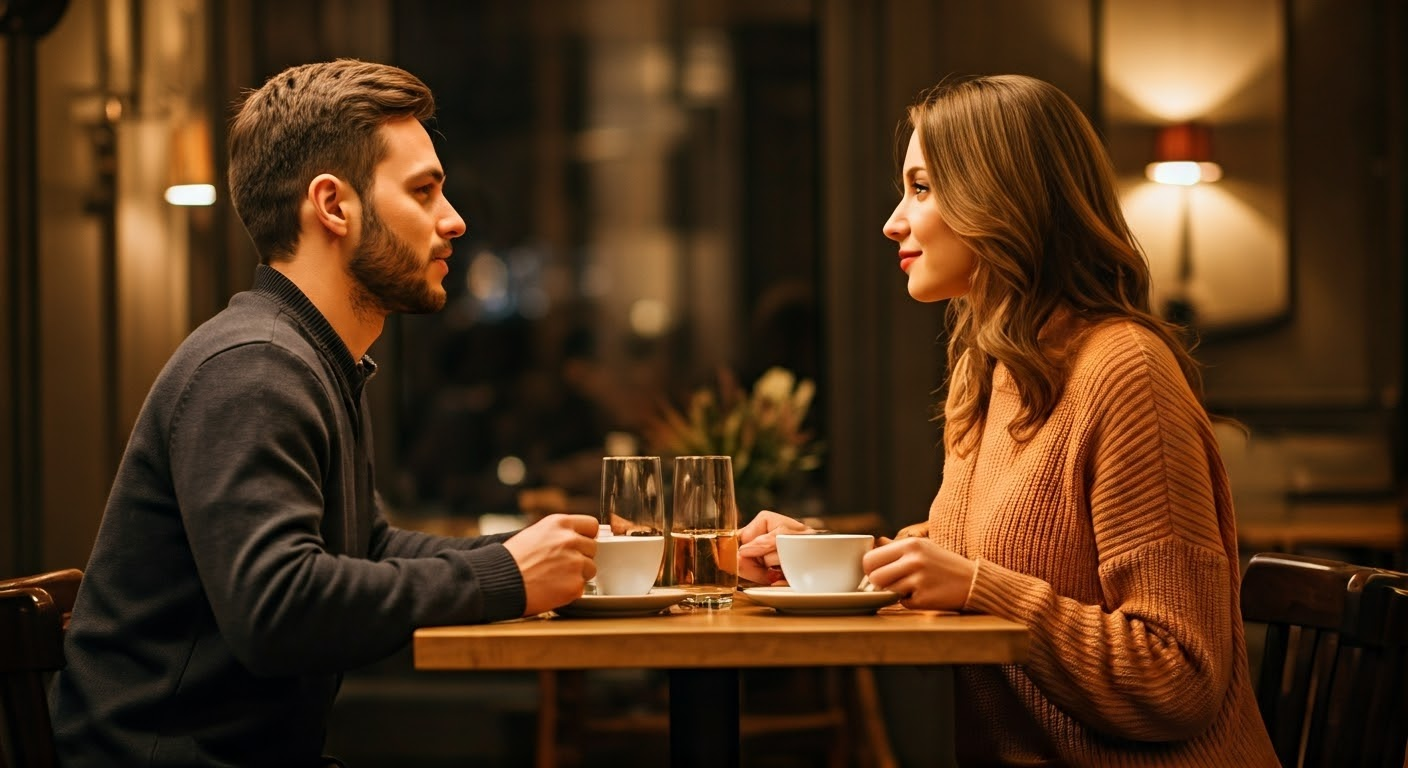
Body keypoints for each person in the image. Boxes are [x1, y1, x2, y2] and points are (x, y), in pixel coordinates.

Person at [50, 59, 600, 767]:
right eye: (424, 191)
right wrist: (504, 576)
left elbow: (366, 550)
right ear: (333, 205)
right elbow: (277, 611)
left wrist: (566, 557)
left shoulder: (307, 358)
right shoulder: (252, 367)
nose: (453, 219)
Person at [737, 74, 1279, 765]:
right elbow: (963, 554)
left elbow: (1178, 677)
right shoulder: (992, 368)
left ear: (1001, 200)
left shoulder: (1123, 369)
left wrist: (981, 590)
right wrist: (821, 559)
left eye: (922, 188)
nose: (893, 221)